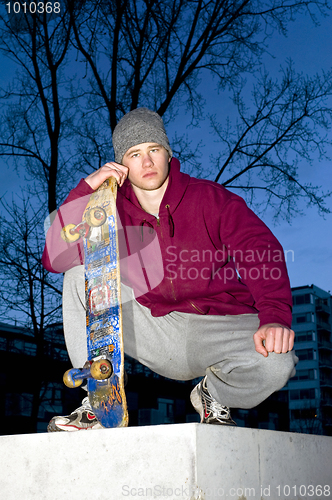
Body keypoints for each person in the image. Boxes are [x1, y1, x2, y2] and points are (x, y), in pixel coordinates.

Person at [42, 108, 297, 432]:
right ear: (122, 164)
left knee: (278, 362)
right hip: (152, 325)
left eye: (154, 150)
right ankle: (98, 397)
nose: (147, 163)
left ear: (168, 153)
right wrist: (85, 191)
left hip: (218, 326)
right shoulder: (110, 211)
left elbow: (258, 249)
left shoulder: (209, 199)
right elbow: (54, 257)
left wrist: (274, 315)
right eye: (135, 154)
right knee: (80, 275)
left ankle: (212, 395)